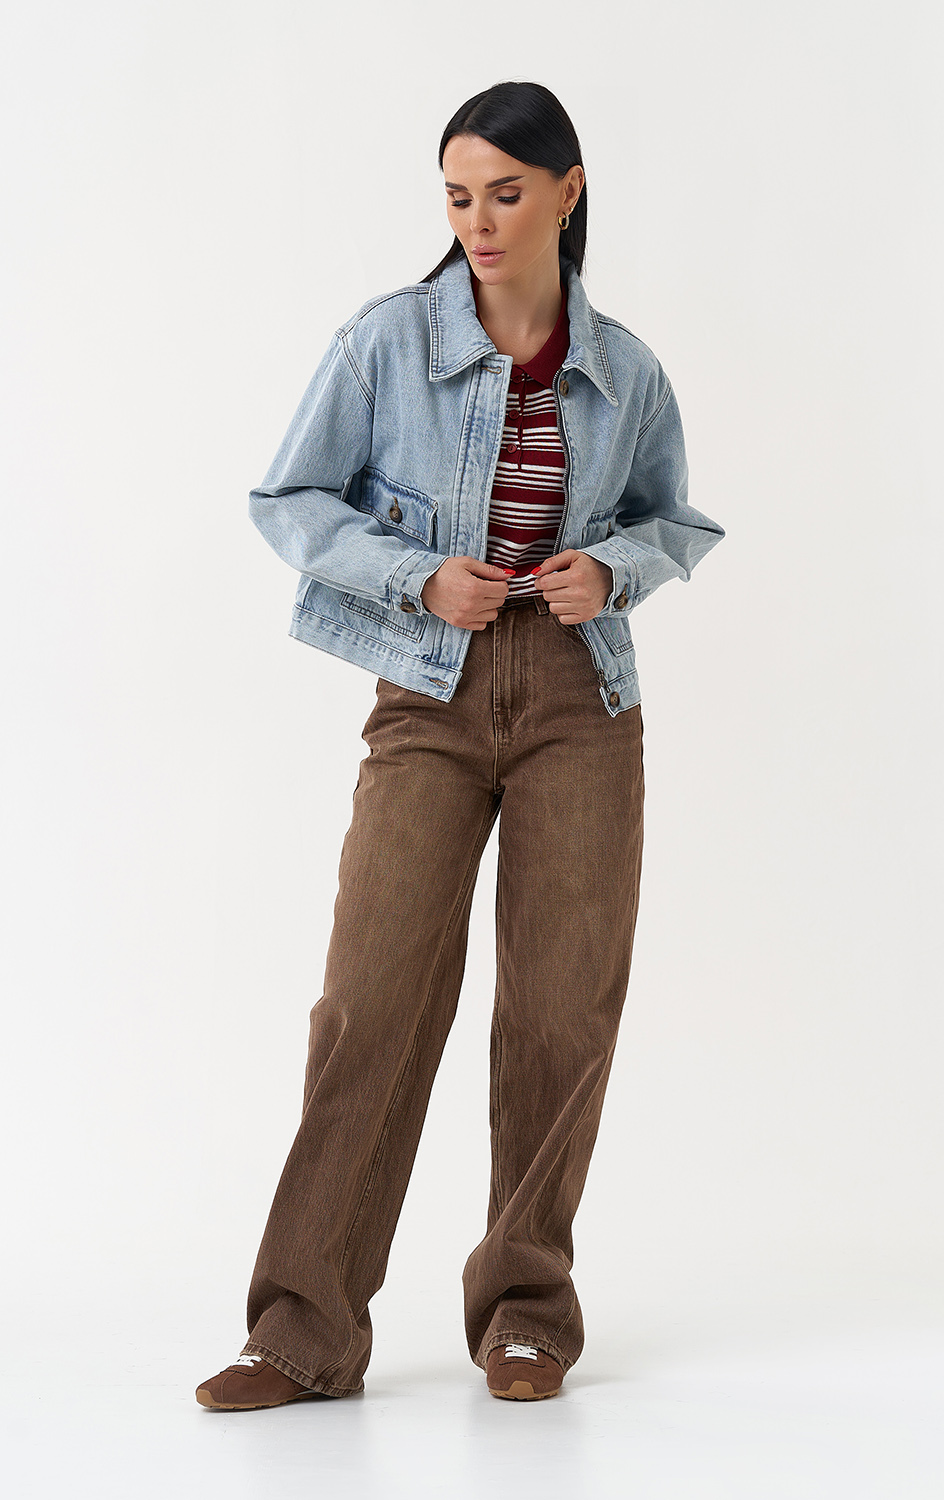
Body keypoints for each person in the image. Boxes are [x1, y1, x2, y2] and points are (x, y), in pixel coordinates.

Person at [196, 80, 725, 1411]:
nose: (477, 223)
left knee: (560, 1010)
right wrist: (416, 576)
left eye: (504, 193)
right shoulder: (385, 344)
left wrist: (614, 567)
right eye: (456, 197)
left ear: (568, 192)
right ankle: (303, 1330)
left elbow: (673, 520)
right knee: (370, 1000)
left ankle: (528, 1312)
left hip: (582, 703)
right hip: (429, 694)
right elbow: (289, 498)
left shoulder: (628, 369)